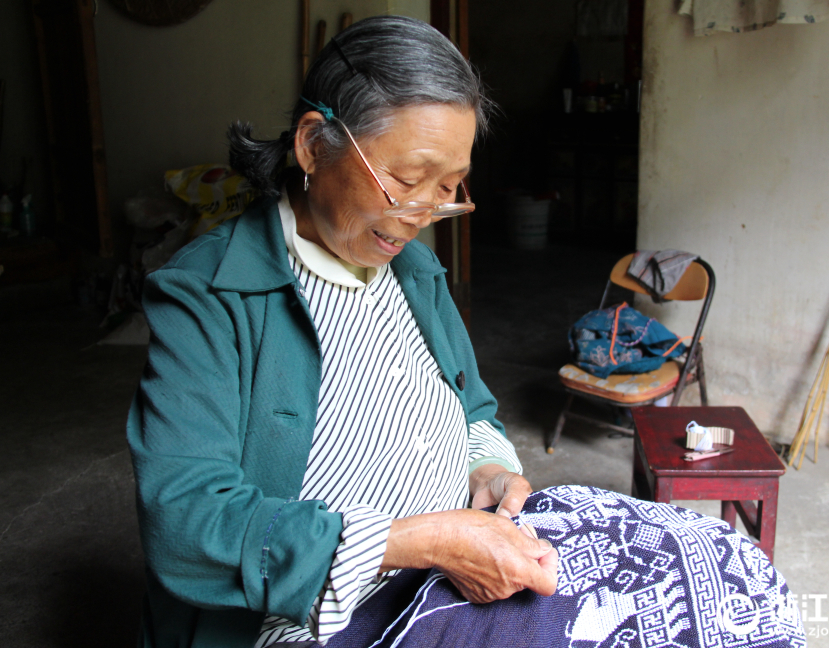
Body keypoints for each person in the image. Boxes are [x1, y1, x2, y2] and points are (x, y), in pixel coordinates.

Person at [127, 15, 557, 648]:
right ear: (313, 145)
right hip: (309, 619)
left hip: (435, 579)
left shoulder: (412, 267)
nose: (420, 218)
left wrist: (488, 467)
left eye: (447, 189)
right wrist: (421, 542)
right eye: (407, 182)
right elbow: (187, 523)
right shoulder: (207, 295)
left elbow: (471, 407)